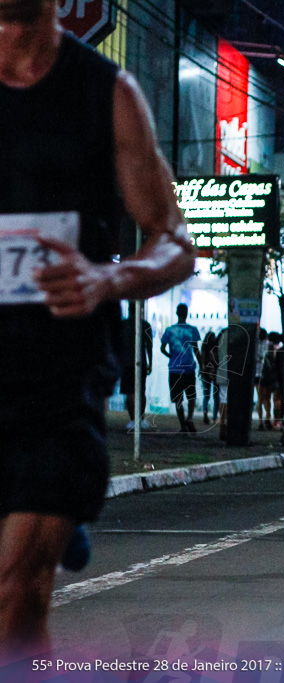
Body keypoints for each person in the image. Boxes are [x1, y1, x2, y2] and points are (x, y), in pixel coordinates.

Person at [0, 0, 196, 658]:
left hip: (58, 381)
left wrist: (105, 278)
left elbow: (174, 241)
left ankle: (54, 510)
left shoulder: (107, 92)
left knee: (17, 591)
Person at [160, 303, 201, 433]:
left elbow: (162, 348)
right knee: (191, 396)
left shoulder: (169, 330)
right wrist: (202, 364)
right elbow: (196, 349)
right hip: (189, 367)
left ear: (177, 313)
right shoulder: (192, 330)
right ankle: (190, 418)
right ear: (187, 313)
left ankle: (182, 425)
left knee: (177, 398)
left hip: (174, 369)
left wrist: (171, 356)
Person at [120, 309, 153, 431]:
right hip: (141, 362)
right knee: (141, 391)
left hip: (126, 362)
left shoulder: (123, 325)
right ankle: (141, 419)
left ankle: (133, 420)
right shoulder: (145, 325)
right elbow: (149, 345)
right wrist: (150, 362)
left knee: (129, 392)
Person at [200, 330, 219, 425]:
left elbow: (202, 359)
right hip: (215, 372)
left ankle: (205, 413)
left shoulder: (204, 347)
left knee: (206, 395)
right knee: (216, 396)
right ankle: (214, 416)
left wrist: (203, 369)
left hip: (206, 372)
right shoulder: (216, 348)